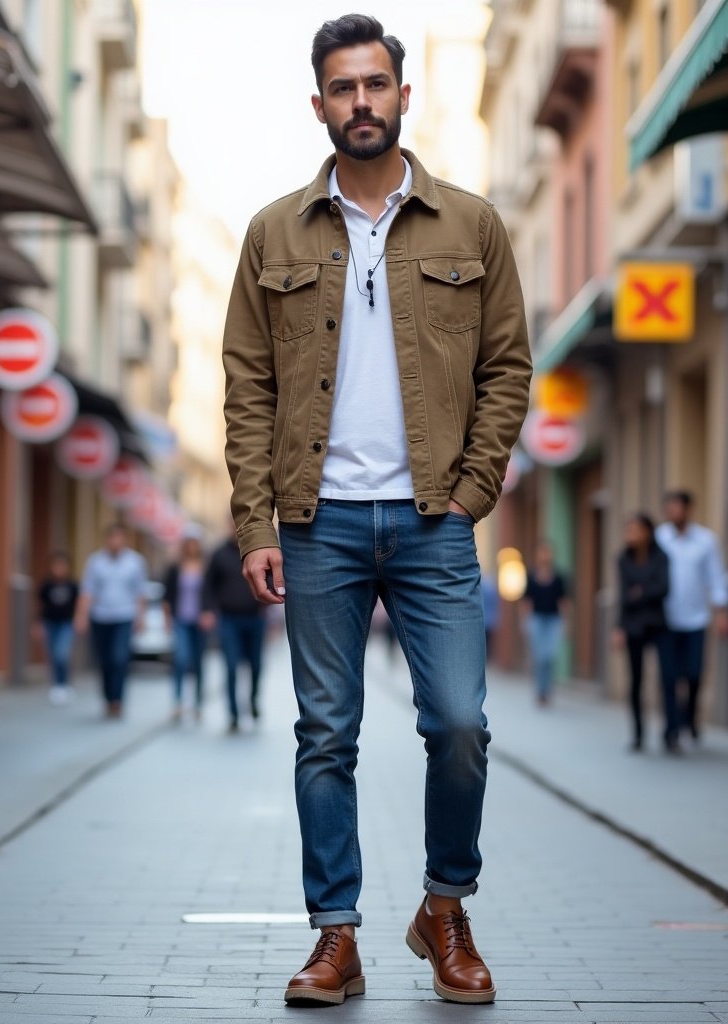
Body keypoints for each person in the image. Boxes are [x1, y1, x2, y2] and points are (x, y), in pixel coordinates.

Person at [221, 13, 530, 1007]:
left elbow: (506, 368)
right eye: (342, 88)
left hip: (435, 516)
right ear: (319, 104)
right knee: (325, 733)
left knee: (457, 724)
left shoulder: (471, 223)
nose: (361, 102)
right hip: (317, 524)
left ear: (403, 94)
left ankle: (445, 905)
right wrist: (256, 522)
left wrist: (473, 491)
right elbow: (248, 385)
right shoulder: (272, 230)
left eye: (375, 84)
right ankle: (336, 935)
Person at [656, 490, 728, 747]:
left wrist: (722, 613)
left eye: (677, 507)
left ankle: (690, 717)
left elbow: (716, 577)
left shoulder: (706, 540)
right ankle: (672, 727)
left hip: (696, 618)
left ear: (688, 510)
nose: (673, 512)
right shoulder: (660, 538)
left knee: (694, 674)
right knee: (668, 676)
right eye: (669, 508)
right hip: (665, 619)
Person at [74, 523, 147, 719]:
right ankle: (108, 697)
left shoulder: (135, 562)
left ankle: (117, 700)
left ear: (124, 540)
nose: (115, 542)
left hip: (124, 616)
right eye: (112, 538)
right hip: (100, 617)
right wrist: (81, 616)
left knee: (119, 658)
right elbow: (87, 592)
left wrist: (141, 617)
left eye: (119, 538)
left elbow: (140, 593)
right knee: (105, 660)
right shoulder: (95, 562)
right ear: (106, 540)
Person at [201, 524, 267, 734]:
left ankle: (253, 699)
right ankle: (233, 715)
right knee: (230, 666)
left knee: (256, 665)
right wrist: (208, 610)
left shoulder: (257, 551)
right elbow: (208, 585)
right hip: (229, 619)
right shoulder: (219, 554)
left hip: (255, 617)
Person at [612, 514, 670, 752]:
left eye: (635, 530)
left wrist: (640, 592)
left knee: (668, 678)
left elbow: (664, 589)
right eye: (628, 530)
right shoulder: (623, 559)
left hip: (658, 624)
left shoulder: (661, 557)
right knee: (636, 681)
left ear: (647, 532)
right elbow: (624, 596)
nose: (630, 535)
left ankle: (671, 732)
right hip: (633, 626)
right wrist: (618, 627)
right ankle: (638, 733)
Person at [163, 527, 209, 721]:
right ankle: (178, 702)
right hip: (181, 619)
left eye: (194, 543)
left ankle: (197, 703)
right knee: (181, 659)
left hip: (199, 621)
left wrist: (209, 614)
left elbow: (211, 594)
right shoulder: (175, 568)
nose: (191, 547)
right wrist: (167, 618)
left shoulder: (206, 567)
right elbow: (168, 595)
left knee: (198, 662)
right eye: (188, 543)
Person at [523, 540, 569, 706]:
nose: (544, 555)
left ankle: (547, 689)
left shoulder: (559, 577)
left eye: (547, 552)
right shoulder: (531, 576)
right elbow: (526, 601)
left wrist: (565, 623)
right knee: (539, 657)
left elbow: (563, 601)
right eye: (542, 552)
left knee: (550, 656)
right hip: (536, 619)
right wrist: (526, 622)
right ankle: (540, 691)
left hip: (553, 620)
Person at [36, 551, 79, 705]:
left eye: (62, 566)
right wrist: (39, 624)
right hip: (50, 623)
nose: (59, 569)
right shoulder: (47, 585)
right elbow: (41, 606)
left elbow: (78, 605)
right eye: (56, 565)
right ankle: (56, 685)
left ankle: (64, 683)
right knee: (53, 655)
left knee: (62, 653)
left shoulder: (72, 585)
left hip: (66, 624)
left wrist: (78, 619)